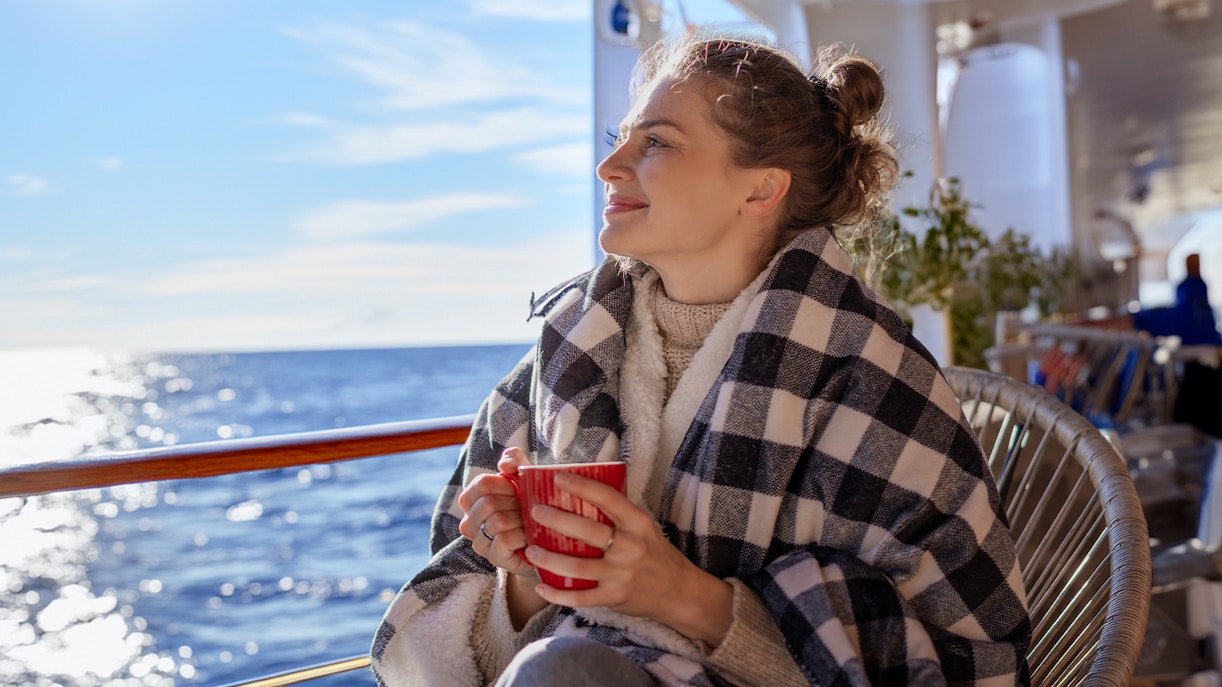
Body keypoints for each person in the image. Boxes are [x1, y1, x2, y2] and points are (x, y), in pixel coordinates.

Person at [371, 33, 1030, 687]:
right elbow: (468, 640)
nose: (609, 166)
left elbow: (967, 662)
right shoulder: (567, 352)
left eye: (655, 141)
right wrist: (526, 578)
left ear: (761, 188)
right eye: (620, 139)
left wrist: (682, 594)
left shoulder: (875, 379)